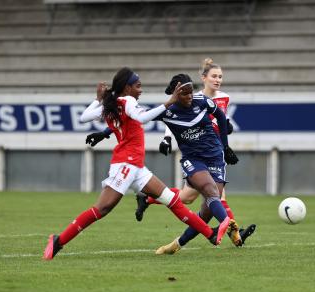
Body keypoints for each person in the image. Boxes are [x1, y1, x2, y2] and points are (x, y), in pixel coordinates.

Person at [43, 67, 230, 260]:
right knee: (102, 208)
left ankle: (211, 234)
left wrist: (98, 100)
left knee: (173, 201)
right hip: (126, 164)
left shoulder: (112, 102)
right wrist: (169, 102)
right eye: (138, 86)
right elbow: (142, 118)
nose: (140, 91)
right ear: (127, 87)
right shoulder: (128, 100)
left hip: (137, 167)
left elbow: (84, 117)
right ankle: (59, 241)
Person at [136, 59, 256, 254]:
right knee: (210, 192)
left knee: (203, 209)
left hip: (215, 156)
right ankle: (229, 224)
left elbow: (220, 117)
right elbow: (139, 118)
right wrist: (166, 139)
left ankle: (176, 244)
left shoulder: (203, 101)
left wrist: (225, 147)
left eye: (191, 91)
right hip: (193, 159)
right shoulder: (169, 110)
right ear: (176, 94)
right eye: (185, 93)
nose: (190, 96)